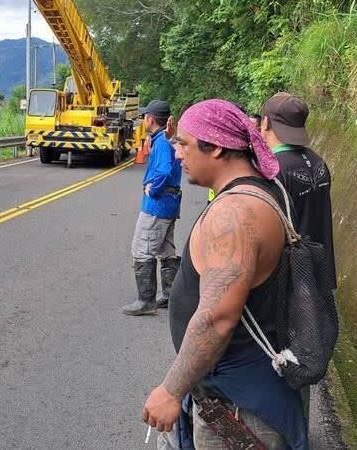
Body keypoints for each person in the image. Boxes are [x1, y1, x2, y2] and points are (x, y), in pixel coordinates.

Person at [142, 99, 307, 449]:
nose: (176, 154)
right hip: (240, 390)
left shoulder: (233, 215)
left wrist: (171, 390)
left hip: (239, 407)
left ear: (215, 147)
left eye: (184, 143)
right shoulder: (262, 190)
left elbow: (217, 317)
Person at [260, 92, 336, 287]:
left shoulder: (273, 168)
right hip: (319, 270)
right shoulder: (318, 161)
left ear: (266, 122)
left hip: (289, 278)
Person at [122, 100, 182, 315]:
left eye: (144, 117)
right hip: (169, 205)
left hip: (157, 205)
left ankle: (146, 301)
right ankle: (168, 295)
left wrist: (152, 188)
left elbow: (164, 171)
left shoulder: (162, 144)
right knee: (166, 249)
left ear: (150, 119)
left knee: (142, 249)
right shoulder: (165, 140)